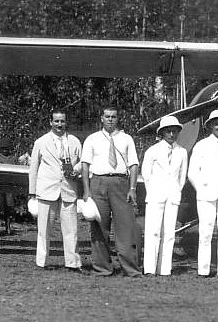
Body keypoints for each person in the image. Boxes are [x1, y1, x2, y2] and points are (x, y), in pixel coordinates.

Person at [81, 106, 142, 277]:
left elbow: (134, 165)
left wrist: (132, 188)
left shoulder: (126, 139)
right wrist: (86, 191)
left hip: (121, 183)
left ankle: (130, 268)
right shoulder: (92, 139)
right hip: (98, 183)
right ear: (101, 118)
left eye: (113, 117)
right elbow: (85, 166)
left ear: (117, 118)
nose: (110, 119)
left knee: (126, 227)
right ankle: (102, 267)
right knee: (99, 227)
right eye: (107, 116)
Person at [28, 111, 83, 270]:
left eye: (62, 121)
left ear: (66, 123)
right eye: (56, 121)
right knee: (44, 229)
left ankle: (73, 263)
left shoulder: (74, 141)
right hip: (47, 190)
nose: (59, 124)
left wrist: (76, 170)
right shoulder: (41, 142)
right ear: (50, 122)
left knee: (71, 229)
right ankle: (41, 262)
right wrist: (33, 191)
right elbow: (33, 168)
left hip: (68, 189)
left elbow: (83, 162)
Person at [188, 109, 218, 278]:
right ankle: (204, 269)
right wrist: (202, 189)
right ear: (210, 126)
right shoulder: (201, 145)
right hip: (206, 194)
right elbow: (192, 173)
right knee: (206, 231)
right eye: (217, 124)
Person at [141, 116, 189, 276]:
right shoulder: (153, 151)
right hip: (155, 195)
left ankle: (165, 268)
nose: (172, 134)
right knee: (153, 231)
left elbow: (182, 177)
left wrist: (175, 190)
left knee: (169, 233)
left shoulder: (182, 152)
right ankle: (149, 268)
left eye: (175, 131)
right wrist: (154, 190)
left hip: (173, 195)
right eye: (168, 131)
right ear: (162, 133)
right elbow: (146, 174)